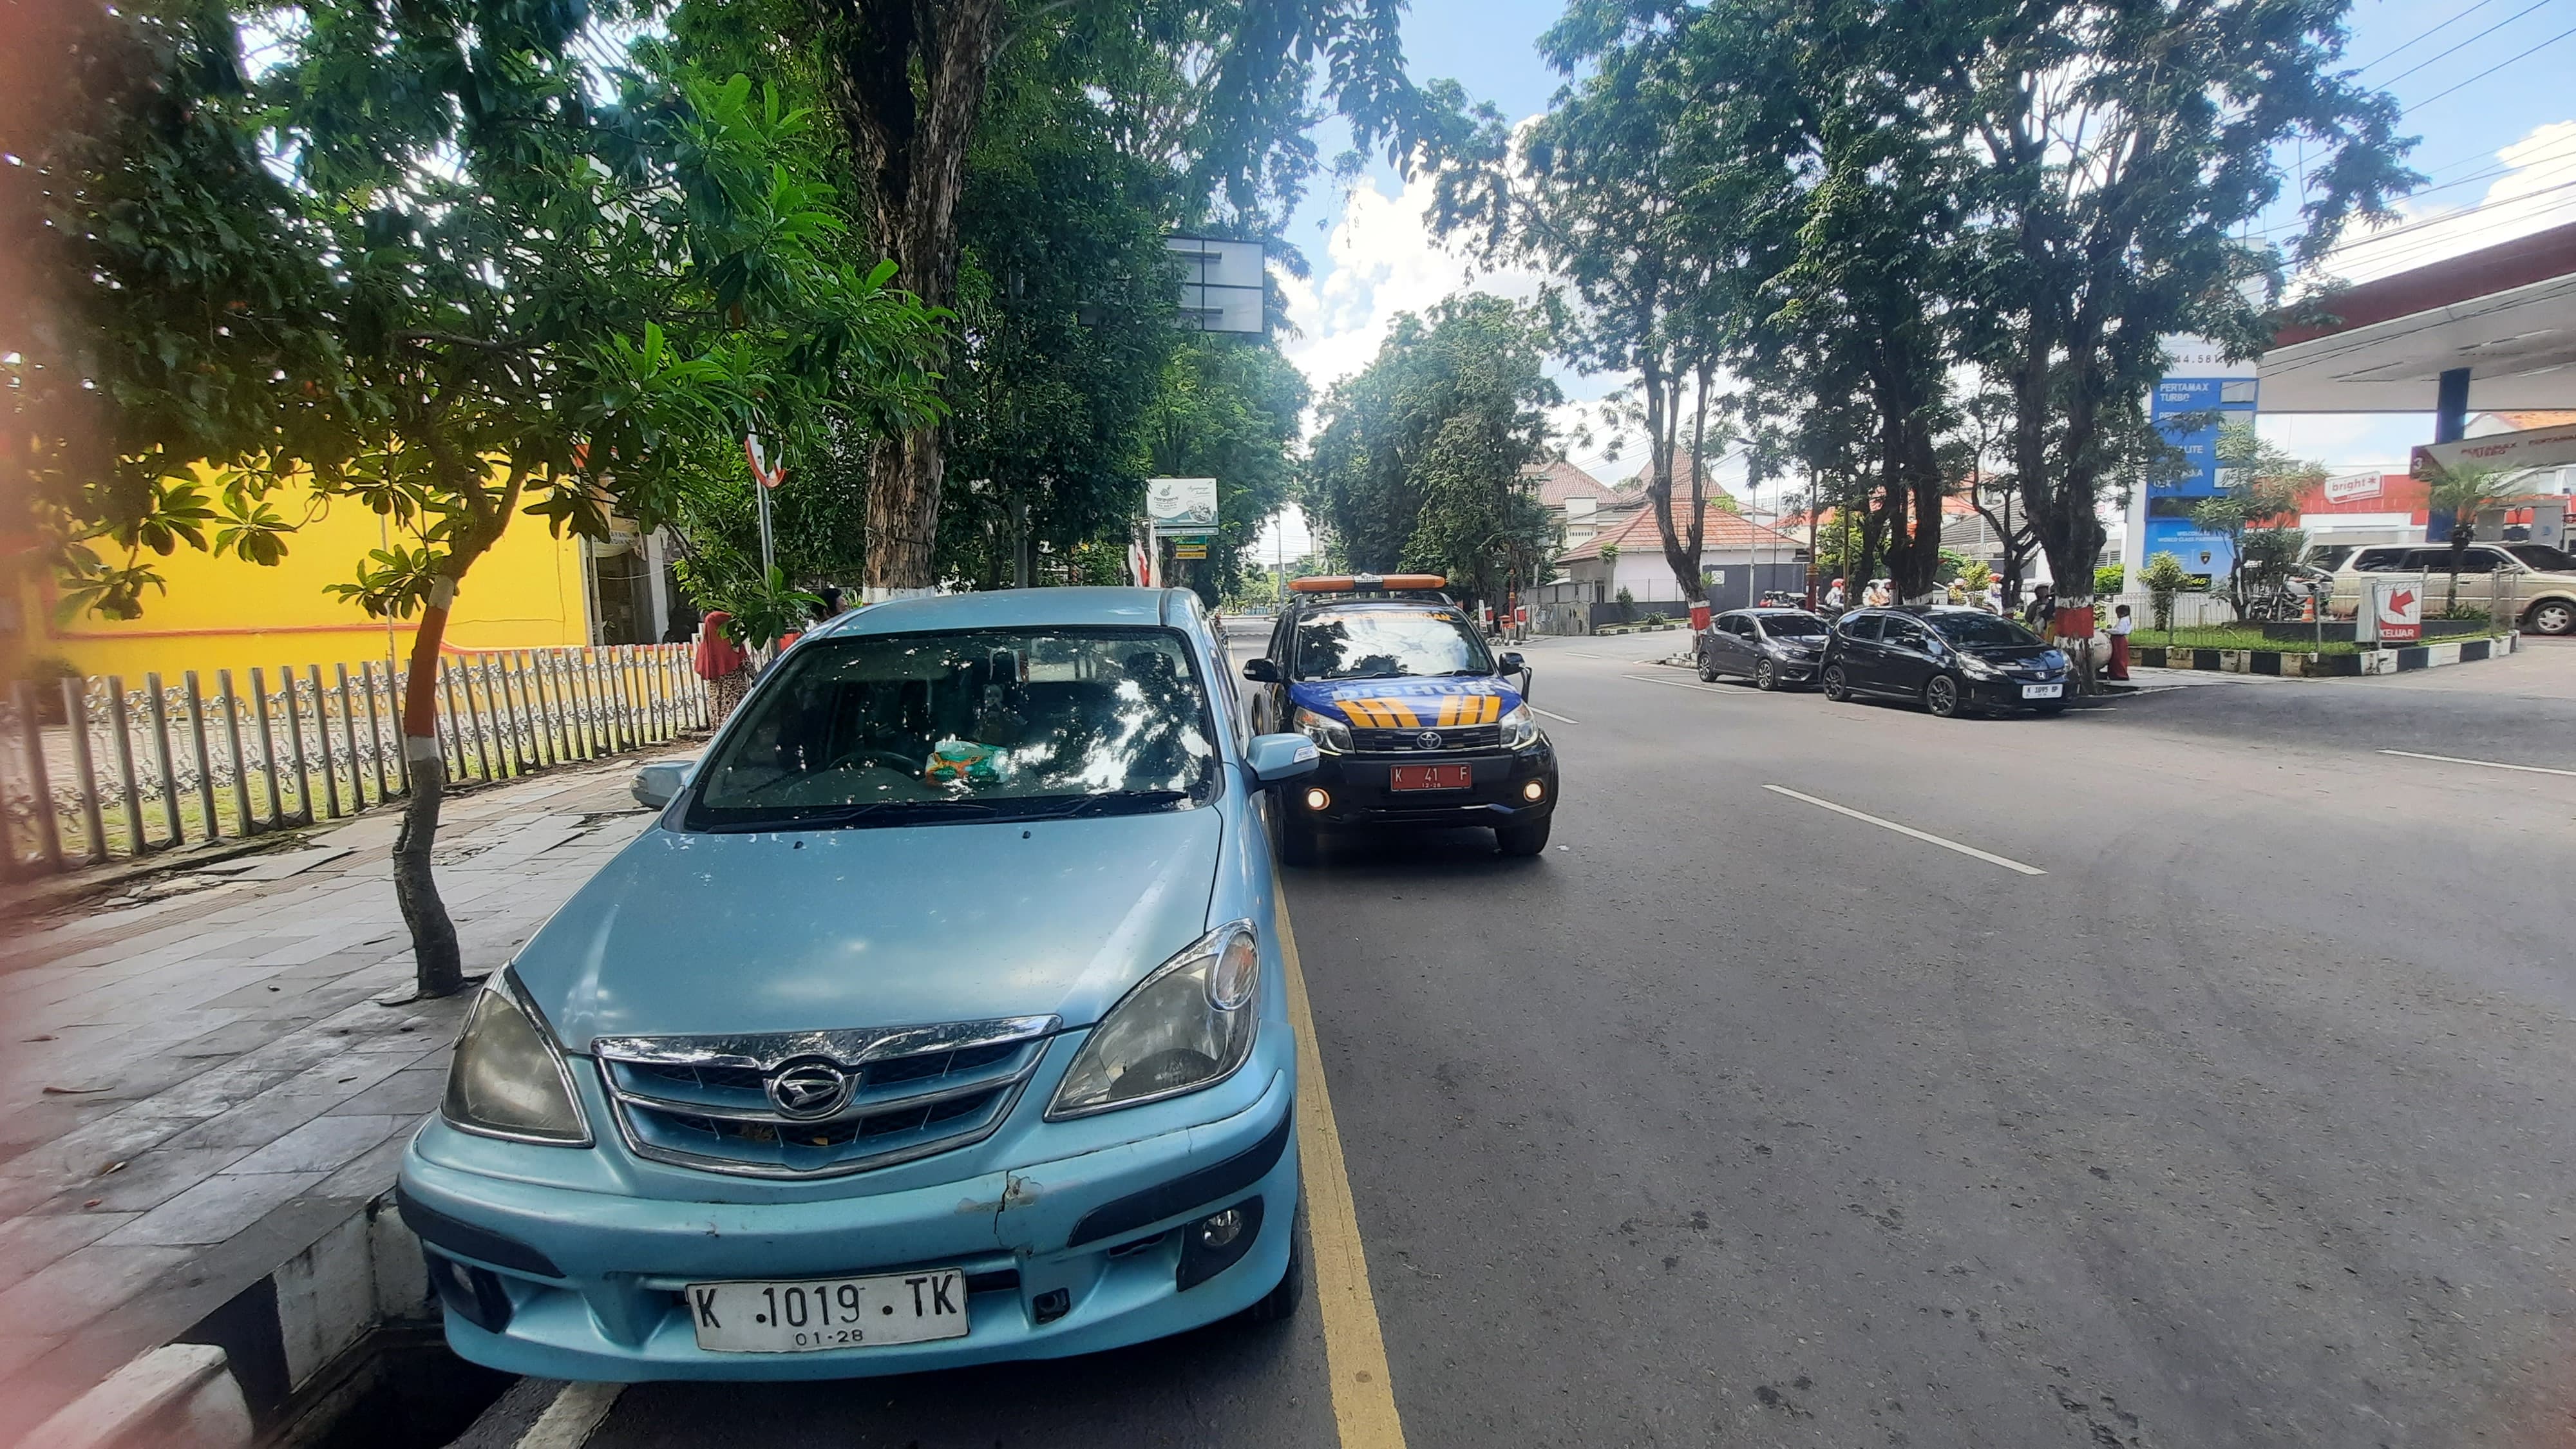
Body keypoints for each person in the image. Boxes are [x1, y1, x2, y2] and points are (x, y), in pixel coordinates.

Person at [694, 610, 753, 727]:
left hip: (715, 691)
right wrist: (760, 678)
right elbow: (746, 665)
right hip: (734, 690)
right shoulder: (733, 643)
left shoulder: (705, 647)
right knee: (735, 718)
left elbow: (700, 669)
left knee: (719, 718)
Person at [2106, 603, 2134, 681]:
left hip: (2119, 640)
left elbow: (2119, 631)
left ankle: (2120, 674)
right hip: (2120, 640)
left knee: (2118, 658)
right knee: (2118, 657)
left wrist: (2107, 630)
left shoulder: (2124, 620)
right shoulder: (2127, 619)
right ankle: (2116, 674)